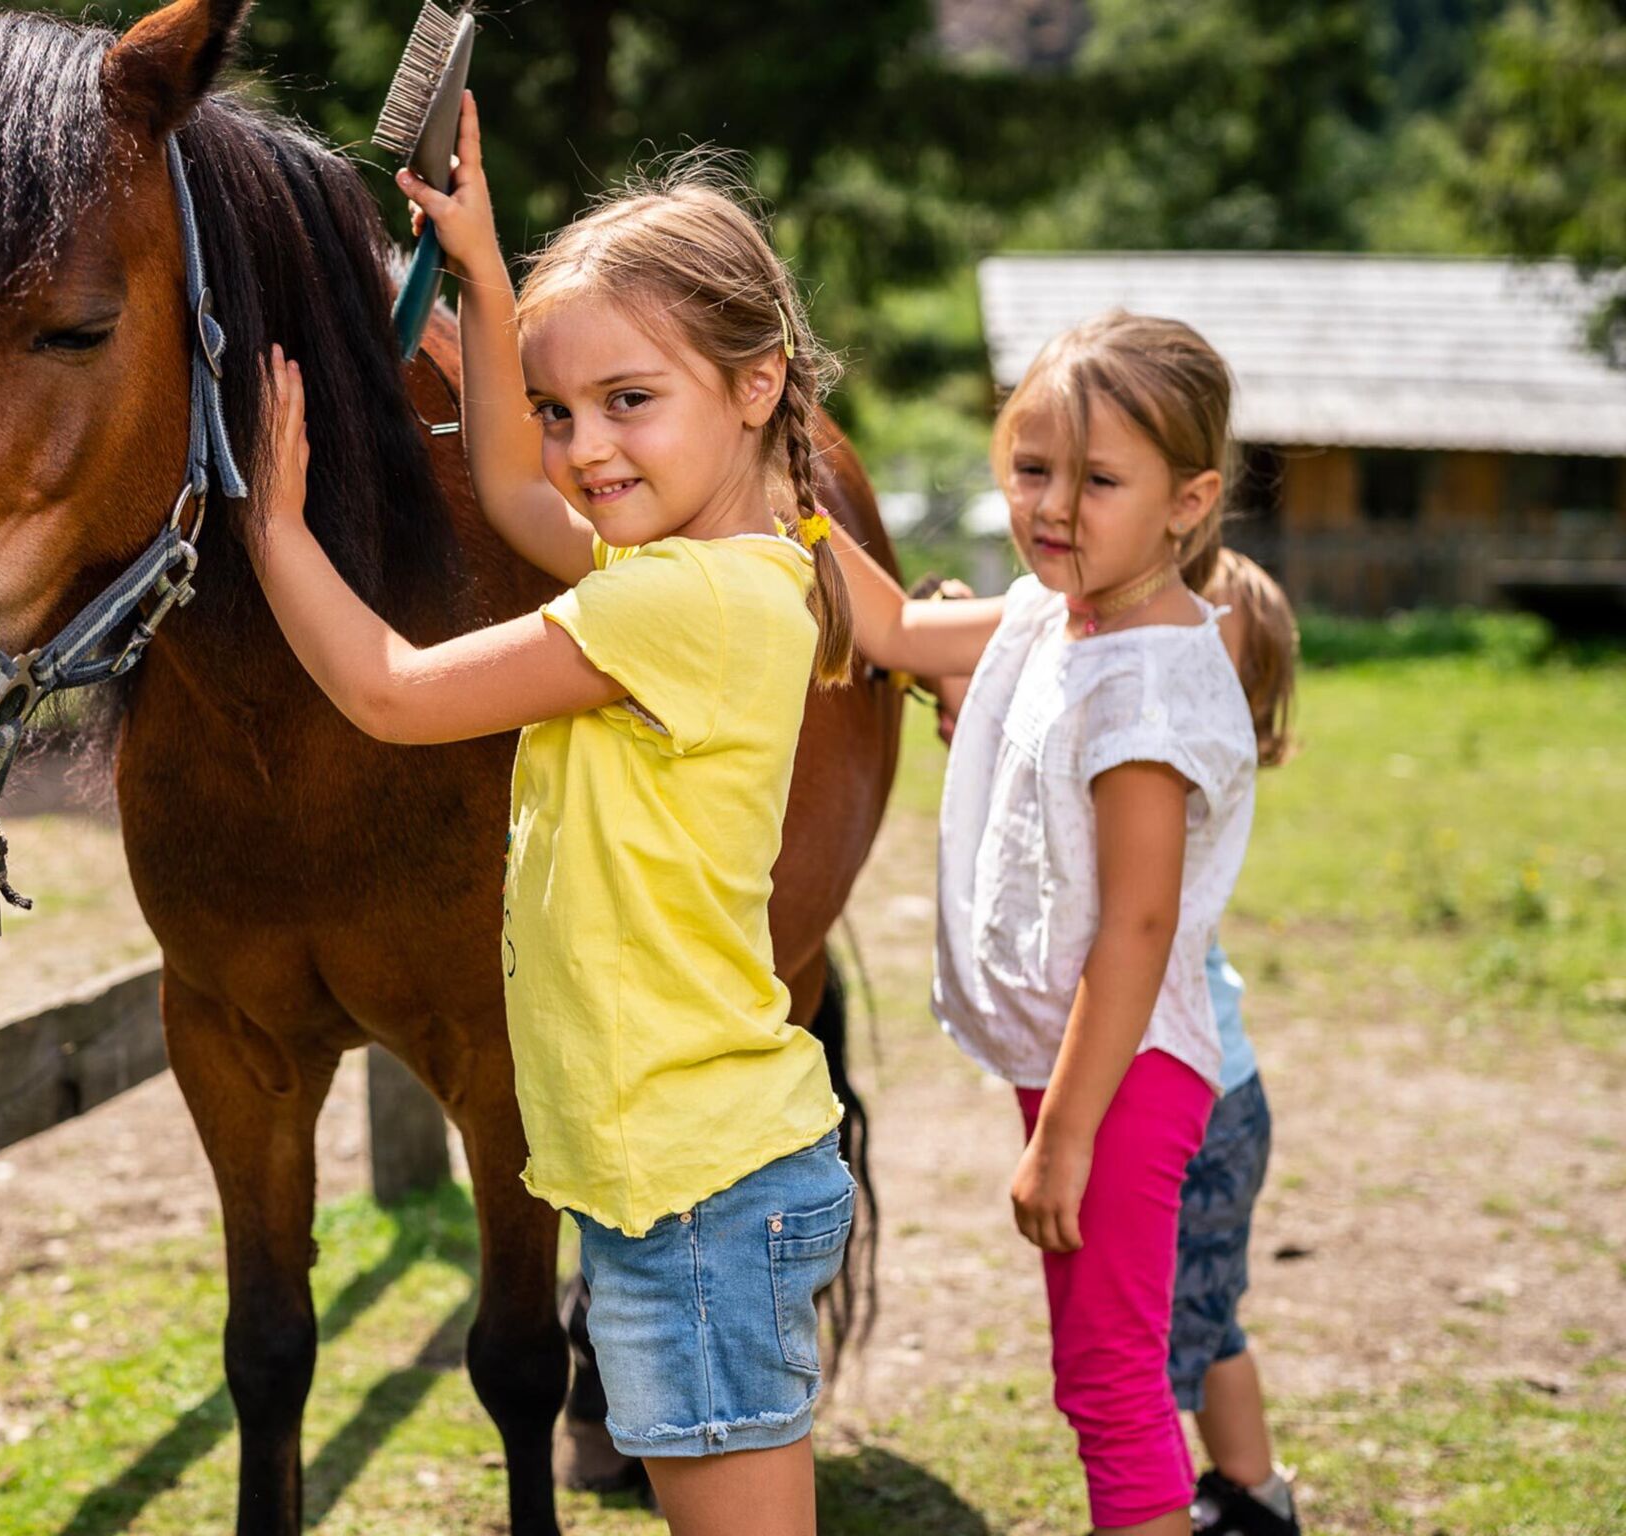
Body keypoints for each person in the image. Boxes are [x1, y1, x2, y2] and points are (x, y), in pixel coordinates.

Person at [243, 91, 856, 1536]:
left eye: (630, 402)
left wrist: (273, 530)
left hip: (696, 1193)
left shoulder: (674, 601)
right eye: (570, 405)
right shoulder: (724, 570)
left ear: (758, 383)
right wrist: (485, 267)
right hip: (685, 1175)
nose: (586, 448)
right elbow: (510, 481)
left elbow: (390, 690)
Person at [825, 311, 1259, 1536]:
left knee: (1112, 1388)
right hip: (1078, 1068)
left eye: (1099, 481)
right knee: (1100, 1380)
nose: (1054, 508)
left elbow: (1137, 928)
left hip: (1118, 1080)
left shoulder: (1147, 685)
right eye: (1031, 471)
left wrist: (1066, 1137)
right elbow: (899, 633)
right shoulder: (1051, 613)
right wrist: (789, 496)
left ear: (1189, 501)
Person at [1175, 549, 1302, 1536]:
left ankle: (1248, 1497)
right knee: (1210, 1317)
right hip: (1217, 1097)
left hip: (1206, 1107)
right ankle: (1249, 1491)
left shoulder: (1180, 780)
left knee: (1190, 1326)